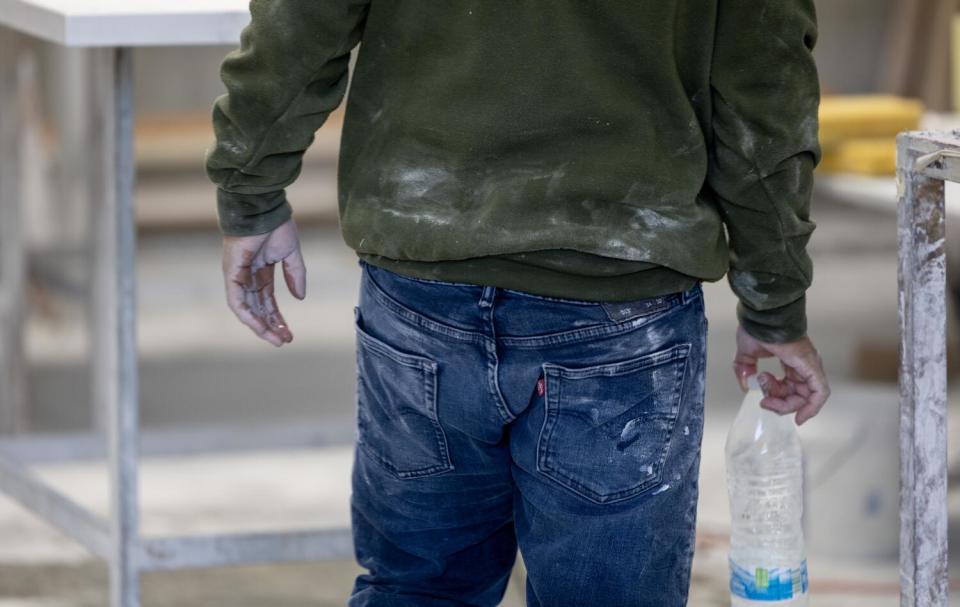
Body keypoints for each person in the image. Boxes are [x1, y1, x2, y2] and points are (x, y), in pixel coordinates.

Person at [206, 1, 831, 605]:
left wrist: (251, 189)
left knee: (422, 589)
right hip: (616, 294)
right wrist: (772, 300)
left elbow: (301, 22)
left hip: (426, 280)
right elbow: (764, 91)